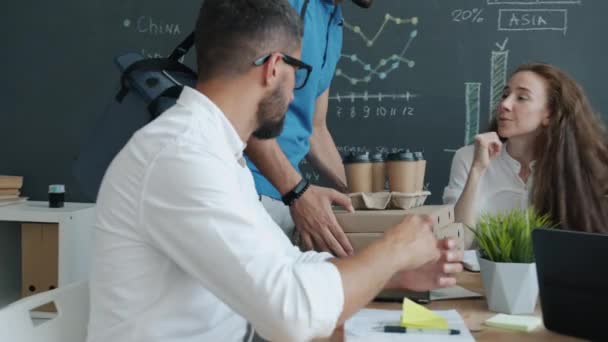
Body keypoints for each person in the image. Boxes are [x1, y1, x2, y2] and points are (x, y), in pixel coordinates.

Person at [87, 1, 463, 341]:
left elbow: (288, 262)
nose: (297, 92)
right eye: (298, 72)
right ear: (274, 68)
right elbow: (291, 316)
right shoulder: (183, 157)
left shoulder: (215, 153)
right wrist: (393, 250)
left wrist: (391, 275)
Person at [245, 0, 373, 257]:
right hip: (246, 193)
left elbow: (316, 128)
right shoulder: (282, 5)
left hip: (285, 198)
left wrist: (365, 196)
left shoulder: (333, 20)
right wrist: (297, 192)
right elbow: (243, 110)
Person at [444, 62, 608, 244]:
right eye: (505, 95)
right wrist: (477, 170)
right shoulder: (468, 158)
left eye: (521, 98)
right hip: (477, 273)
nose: (505, 104)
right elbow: (458, 243)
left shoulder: (575, 167)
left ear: (549, 114)